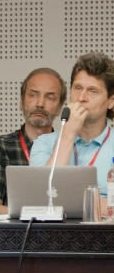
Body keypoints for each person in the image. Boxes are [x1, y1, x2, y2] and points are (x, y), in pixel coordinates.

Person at [30, 52, 114, 212]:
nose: (81, 98)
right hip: (55, 235)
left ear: (111, 102)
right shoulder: (44, 143)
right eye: (77, 88)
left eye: (93, 91)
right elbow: (40, 200)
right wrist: (67, 135)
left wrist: (66, 204)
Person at [0, 68, 67, 209]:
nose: (40, 104)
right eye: (33, 95)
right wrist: (35, 213)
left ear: (60, 109)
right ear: (21, 101)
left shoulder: (67, 148)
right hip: (14, 231)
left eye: (50, 97)